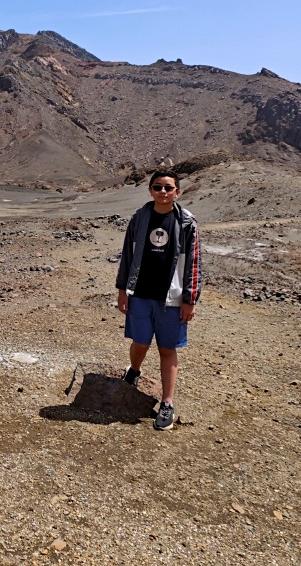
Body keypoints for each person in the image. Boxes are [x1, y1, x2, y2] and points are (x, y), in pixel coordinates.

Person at [115, 169, 201, 431]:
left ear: (177, 192)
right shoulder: (139, 218)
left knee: (167, 349)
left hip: (172, 298)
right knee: (140, 343)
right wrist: (122, 289)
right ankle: (134, 371)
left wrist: (190, 299)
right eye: (157, 187)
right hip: (140, 293)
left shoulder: (187, 222)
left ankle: (167, 402)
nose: (163, 192)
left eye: (168, 188)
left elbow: (193, 264)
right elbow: (127, 255)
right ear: (150, 190)